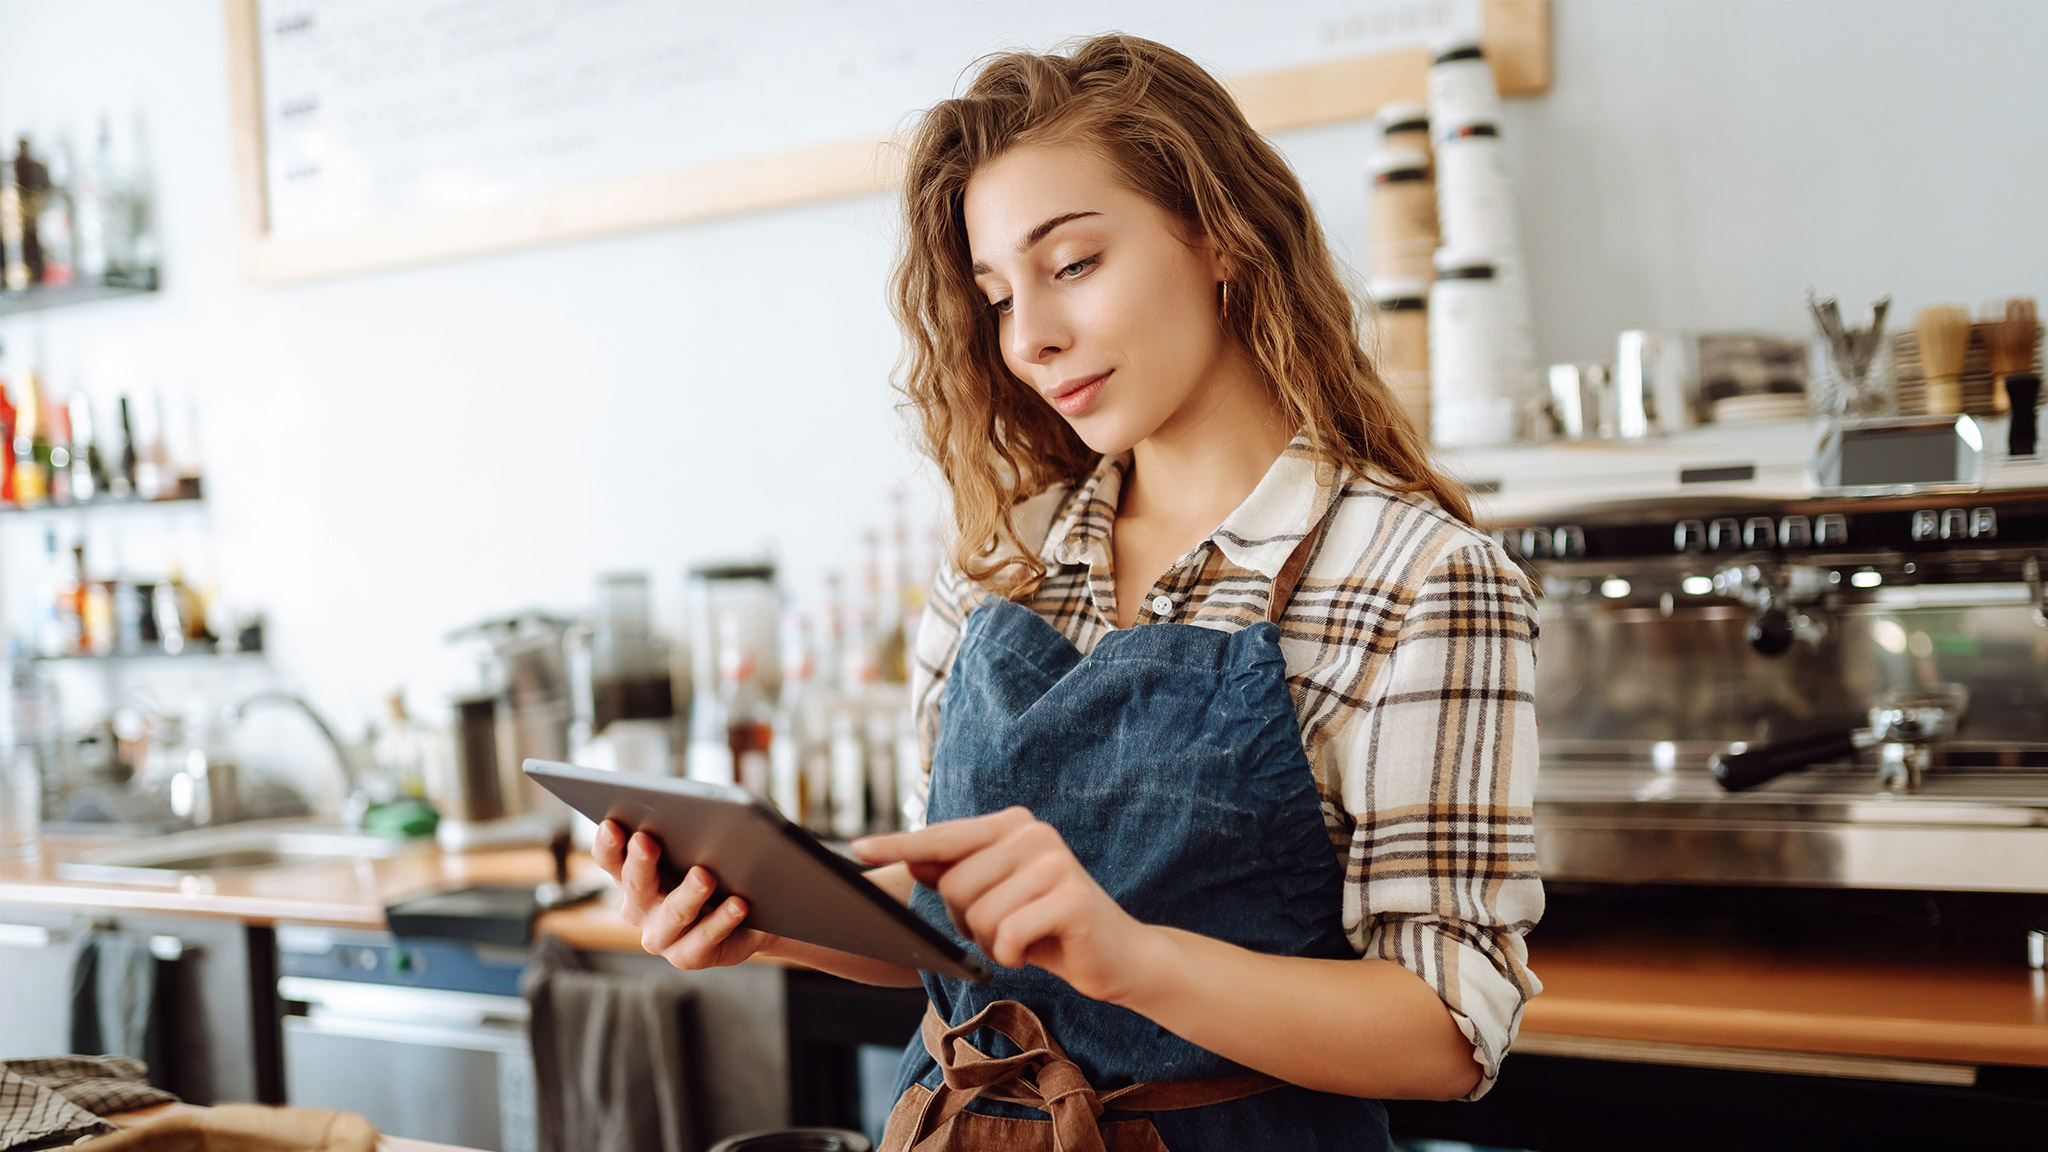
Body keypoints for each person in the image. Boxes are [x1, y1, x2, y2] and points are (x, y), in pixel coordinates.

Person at [593, 34, 1541, 1151]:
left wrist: (1132, 961)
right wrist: (767, 924)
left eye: (1073, 264)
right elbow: (949, 935)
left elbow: (1447, 1029)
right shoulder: (999, 561)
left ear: (1218, 236)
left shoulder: (1420, 579)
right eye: (996, 296)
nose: (1031, 338)